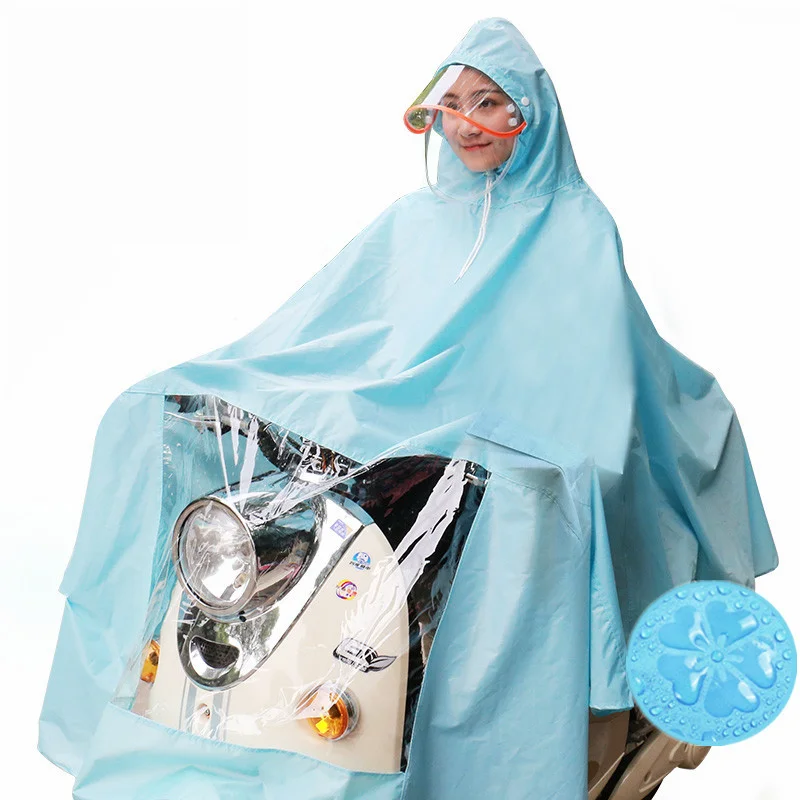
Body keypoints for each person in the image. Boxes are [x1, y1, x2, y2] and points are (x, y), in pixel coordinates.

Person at [39, 17, 779, 800]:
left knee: (525, 516)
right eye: (451, 103)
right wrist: (235, 389)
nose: (466, 123)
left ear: (531, 113)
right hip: (407, 442)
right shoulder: (412, 222)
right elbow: (333, 333)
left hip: (506, 451)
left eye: (488, 102)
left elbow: (590, 383)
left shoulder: (577, 227)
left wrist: (515, 441)